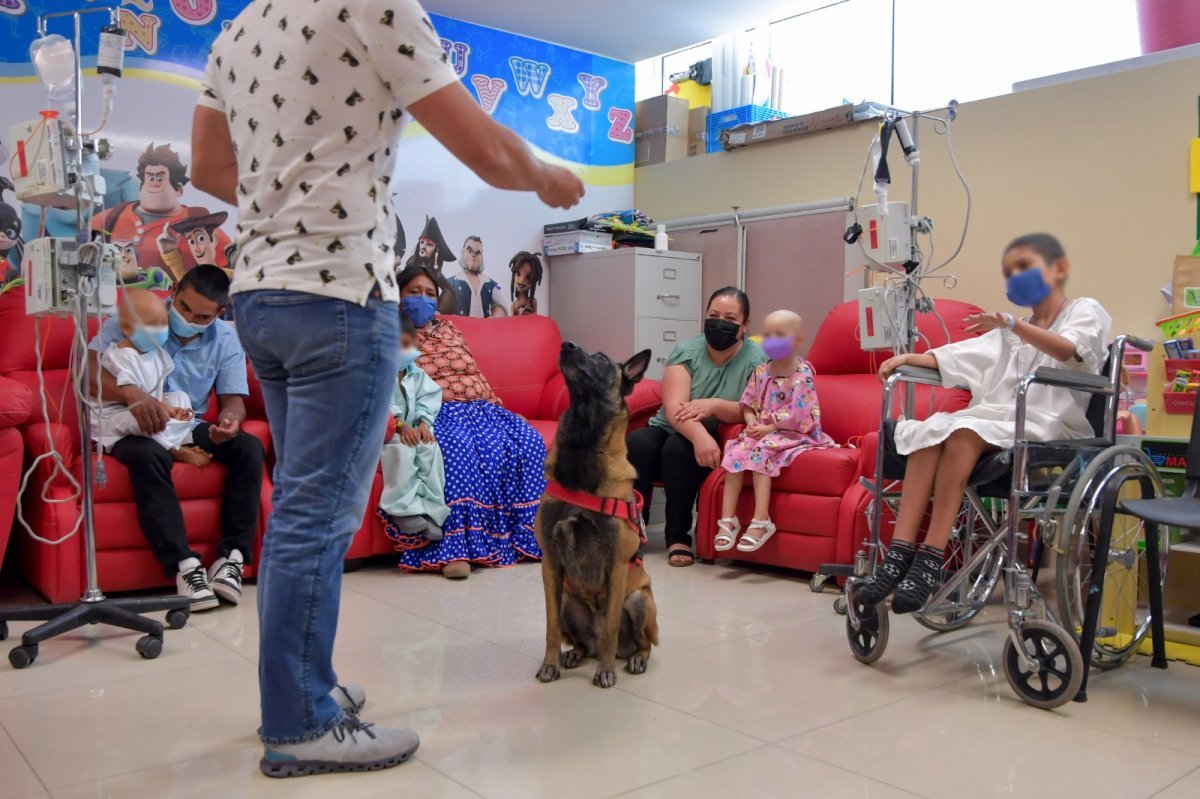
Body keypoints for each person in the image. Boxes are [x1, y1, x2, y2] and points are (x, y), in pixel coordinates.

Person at [190, 0, 583, 777]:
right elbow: (488, 152)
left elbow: (206, 168)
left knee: (301, 506)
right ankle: (298, 718)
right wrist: (549, 176)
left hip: (261, 296)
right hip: (336, 294)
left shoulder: (236, 29)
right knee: (318, 514)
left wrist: (284, 204)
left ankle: (310, 686)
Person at [857, 233, 1112, 613]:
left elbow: (1070, 350)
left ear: (1057, 270)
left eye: (1025, 268)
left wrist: (1012, 325)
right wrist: (911, 359)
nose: (1015, 278)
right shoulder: (1010, 331)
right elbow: (965, 356)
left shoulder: (1084, 311)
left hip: (1050, 423)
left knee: (962, 433)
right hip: (1000, 418)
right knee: (928, 433)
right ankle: (898, 555)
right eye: (1010, 272)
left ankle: (930, 558)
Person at [87, 266, 263, 612]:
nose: (188, 319)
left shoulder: (226, 340)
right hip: (127, 420)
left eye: (201, 316)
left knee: (248, 447)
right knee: (148, 455)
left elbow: (233, 401)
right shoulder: (140, 316)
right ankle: (184, 566)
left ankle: (232, 559)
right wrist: (133, 396)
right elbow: (88, 376)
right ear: (175, 289)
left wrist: (230, 421)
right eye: (183, 308)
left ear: (219, 313)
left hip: (184, 421)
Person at [385, 266, 548, 577]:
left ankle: (529, 537)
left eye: (430, 294)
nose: (423, 299)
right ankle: (453, 549)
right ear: (398, 295)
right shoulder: (392, 333)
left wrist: (499, 408)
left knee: (529, 441)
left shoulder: (450, 330)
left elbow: (474, 373)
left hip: (481, 407)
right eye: (414, 292)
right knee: (459, 449)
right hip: (436, 411)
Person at [626, 287, 767, 567]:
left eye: (729, 318)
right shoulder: (686, 352)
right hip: (671, 426)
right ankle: (630, 531)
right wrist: (699, 434)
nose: (719, 323)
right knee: (638, 443)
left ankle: (678, 537)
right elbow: (675, 408)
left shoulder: (757, 359)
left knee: (679, 450)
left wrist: (713, 406)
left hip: (716, 435)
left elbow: (754, 409)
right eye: (713, 315)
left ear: (746, 324)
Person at [715, 310, 835, 553]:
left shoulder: (802, 376)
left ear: (798, 339)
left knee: (761, 451)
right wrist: (750, 421)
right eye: (768, 334)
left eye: (780, 334)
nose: (772, 340)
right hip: (762, 430)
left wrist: (769, 427)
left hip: (795, 432)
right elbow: (747, 404)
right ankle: (728, 520)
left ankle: (761, 520)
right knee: (736, 452)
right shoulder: (761, 372)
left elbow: (802, 415)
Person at [90, 289, 202, 465]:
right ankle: (175, 449)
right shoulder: (120, 357)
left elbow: (154, 396)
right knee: (144, 416)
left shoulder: (157, 353)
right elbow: (137, 401)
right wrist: (162, 409)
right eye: (152, 324)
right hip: (115, 417)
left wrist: (169, 408)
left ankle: (182, 440)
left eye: (163, 323)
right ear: (127, 327)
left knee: (181, 397)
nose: (160, 330)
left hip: (149, 407)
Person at [90, 143, 231, 275]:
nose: (153, 184)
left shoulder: (202, 230)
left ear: (179, 189)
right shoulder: (106, 220)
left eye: (160, 178)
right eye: (149, 178)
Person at [381, 313, 448, 540]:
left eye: (408, 345)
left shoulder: (416, 373)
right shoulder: (379, 374)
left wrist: (424, 425)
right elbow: (382, 404)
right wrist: (401, 426)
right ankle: (403, 509)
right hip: (391, 431)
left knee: (431, 449)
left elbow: (429, 398)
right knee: (402, 450)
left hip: (414, 429)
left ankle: (432, 511)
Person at [447, 235, 506, 317]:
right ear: (462, 252)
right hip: (459, 328)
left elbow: (503, 305)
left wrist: (495, 317)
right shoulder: (450, 282)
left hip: (484, 328)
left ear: (482, 257)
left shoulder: (492, 284)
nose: (473, 255)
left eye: (478, 253)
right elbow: (441, 310)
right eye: (469, 251)